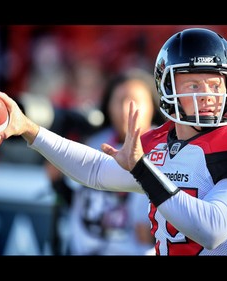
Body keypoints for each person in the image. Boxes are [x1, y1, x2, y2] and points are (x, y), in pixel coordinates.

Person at [0, 27, 227, 255]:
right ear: (167, 88)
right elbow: (95, 170)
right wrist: (29, 129)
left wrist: (141, 170)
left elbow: (213, 229)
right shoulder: (161, 143)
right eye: (193, 83)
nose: (209, 94)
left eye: (216, 84)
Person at [65, 68, 161, 255]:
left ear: (153, 106)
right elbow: (79, 203)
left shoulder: (167, 148)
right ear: (107, 106)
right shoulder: (95, 144)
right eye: (119, 101)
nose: (126, 110)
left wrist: (159, 231)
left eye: (135, 101)